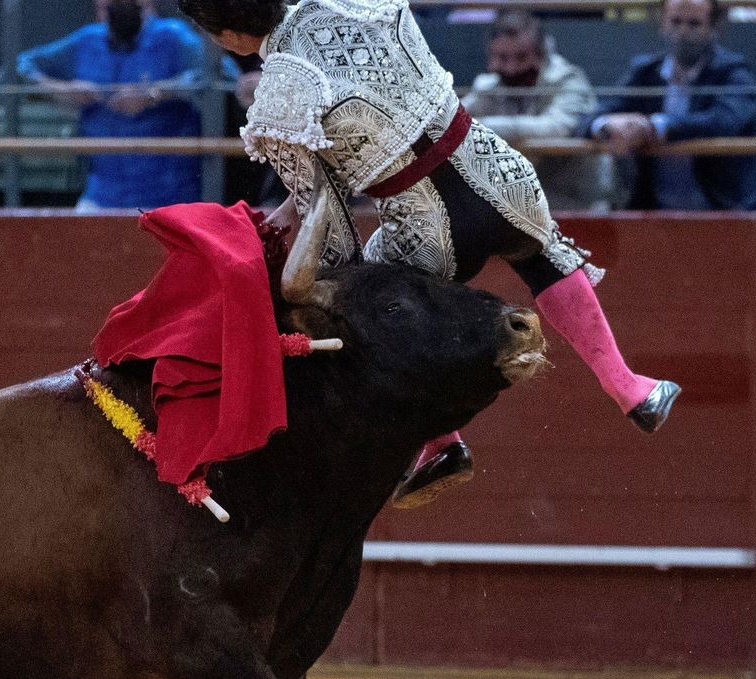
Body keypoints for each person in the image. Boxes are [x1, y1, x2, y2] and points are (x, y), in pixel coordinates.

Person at [177, 0, 678, 509]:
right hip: (494, 166)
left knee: (373, 306)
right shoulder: (343, 2)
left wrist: (327, 270)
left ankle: (442, 444)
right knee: (542, 254)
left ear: (224, 34)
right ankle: (630, 388)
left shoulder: (280, 93)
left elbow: (325, 217)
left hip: (428, 227)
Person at [17, 0, 236, 210]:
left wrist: (156, 93)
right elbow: (19, 68)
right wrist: (60, 89)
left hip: (169, 197)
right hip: (101, 195)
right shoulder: (87, 40)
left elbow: (225, 74)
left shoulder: (172, 36)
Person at [586, 0, 756, 211]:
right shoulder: (645, 71)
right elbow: (591, 118)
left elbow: (724, 121)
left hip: (726, 212)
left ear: (714, 27)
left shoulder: (733, 72)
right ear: (662, 24)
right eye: (675, 22)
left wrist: (656, 127)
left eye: (694, 24)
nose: (682, 32)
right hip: (654, 215)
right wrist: (607, 125)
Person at [462, 11, 613, 211]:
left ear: (541, 54)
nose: (511, 68)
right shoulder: (489, 86)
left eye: (521, 57)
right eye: (502, 57)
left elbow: (557, 128)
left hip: (578, 203)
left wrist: (479, 126)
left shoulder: (568, 80)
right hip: (522, 204)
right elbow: (455, 118)